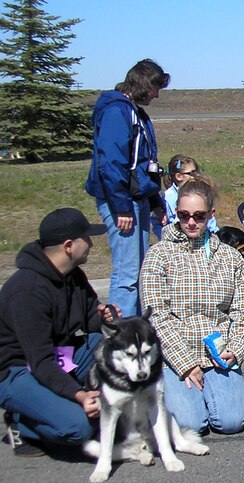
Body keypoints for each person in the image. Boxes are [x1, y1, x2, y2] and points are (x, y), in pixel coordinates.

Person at [140, 176, 244, 434]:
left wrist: (236, 349)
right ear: (176, 213)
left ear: (210, 215)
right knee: (192, 425)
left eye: (199, 216)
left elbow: (243, 314)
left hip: (218, 353)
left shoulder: (230, 257)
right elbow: (156, 317)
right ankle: (163, 387)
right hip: (177, 352)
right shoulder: (159, 255)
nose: (191, 222)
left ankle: (221, 394)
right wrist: (185, 363)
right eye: (184, 215)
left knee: (231, 423)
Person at [0, 208, 117, 457]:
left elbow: (91, 325)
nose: (91, 245)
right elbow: (40, 361)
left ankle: (52, 402)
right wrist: (80, 396)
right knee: (79, 427)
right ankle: (21, 422)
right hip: (17, 369)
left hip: (55, 357)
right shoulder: (27, 291)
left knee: (103, 345)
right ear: (68, 246)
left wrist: (103, 315)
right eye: (86, 238)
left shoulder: (74, 275)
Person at [85, 59, 170, 316]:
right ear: (144, 84)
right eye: (155, 88)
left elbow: (144, 165)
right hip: (123, 202)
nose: (156, 95)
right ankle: (122, 333)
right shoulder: (116, 111)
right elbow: (111, 162)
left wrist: (155, 201)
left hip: (138, 199)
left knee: (140, 270)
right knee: (128, 271)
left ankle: (137, 328)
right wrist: (121, 207)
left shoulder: (135, 113)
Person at [162, 155, 219, 235]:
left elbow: (211, 221)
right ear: (179, 176)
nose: (196, 176)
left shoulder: (201, 191)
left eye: (196, 172)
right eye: (191, 173)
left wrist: (215, 233)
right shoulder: (169, 196)